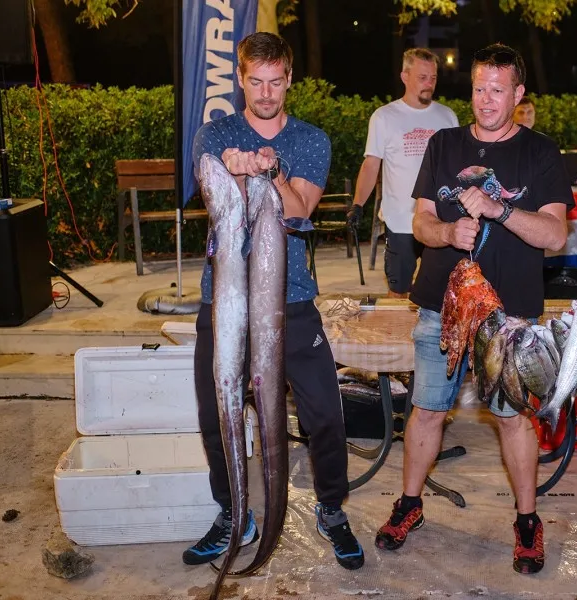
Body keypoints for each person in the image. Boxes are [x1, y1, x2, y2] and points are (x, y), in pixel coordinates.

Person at [373, 43, 573, 575]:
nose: (485, 100)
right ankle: (410, 504)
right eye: (479, 88)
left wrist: (497, 209)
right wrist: (447, 232)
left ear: (518, 94)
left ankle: (527, 520)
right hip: (439, 306)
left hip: (509, 317)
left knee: (513, 418)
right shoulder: (443, 143)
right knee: (427, 409)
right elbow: (420, 222)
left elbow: (555, 234)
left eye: (497, 90)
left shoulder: (541, 152)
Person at [183, 32, 364, 571]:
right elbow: (215, 202)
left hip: (293, 300)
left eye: (276, 82)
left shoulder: (311, 139)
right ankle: (232, 514)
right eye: (256, 81)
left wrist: (270, 172)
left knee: (325, 415)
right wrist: (231, 171)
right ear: (240, 78)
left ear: (289, 80)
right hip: (225, 303)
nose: (266, 93)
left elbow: (299, 210)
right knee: (215, 414)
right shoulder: (214, 134)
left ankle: (331, 508)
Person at [347, 48, 459, 298]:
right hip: (400, 222)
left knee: (441, 293)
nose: (429, 84)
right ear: (404, 76)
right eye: (422, 77)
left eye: (433, 78)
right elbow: (371, 165)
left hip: (437, 221)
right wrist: (358, 204)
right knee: (398, 293)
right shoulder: (384, 117)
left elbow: (456, 168)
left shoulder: (447, 117)